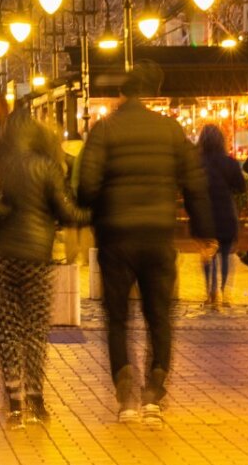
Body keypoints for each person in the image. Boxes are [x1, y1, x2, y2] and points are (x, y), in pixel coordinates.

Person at [75, 62, 209, 422]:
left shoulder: (105, 130)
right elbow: (194, 182)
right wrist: (203, 229)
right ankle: (154, 388)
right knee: (159, 314)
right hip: (157, 235)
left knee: (117, 317)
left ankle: (124, 392)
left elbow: (86, 188)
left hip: (116, 237)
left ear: (122, 94)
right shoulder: (169, 129)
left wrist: (99, 208)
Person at [0, 111, 86, 425]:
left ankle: (14, 404)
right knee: (35, 330)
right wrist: (91, 214)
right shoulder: (47, 167)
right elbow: (66, 212)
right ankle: (36, 398)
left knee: (7, 331)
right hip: (37, 258)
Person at [196, 124, 245, 307]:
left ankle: (210, 293)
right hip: (225, 212)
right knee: (225, 255)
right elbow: (241, 186)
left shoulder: (197, 163)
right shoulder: (229, 162)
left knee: (208, 254)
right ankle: (225, 293)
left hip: (205, 214)